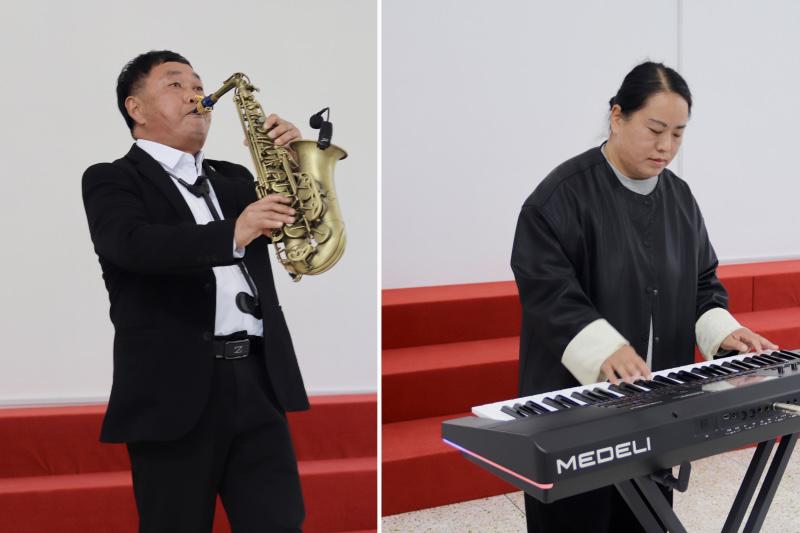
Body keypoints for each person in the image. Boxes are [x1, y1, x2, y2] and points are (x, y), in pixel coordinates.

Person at [510, 61, 777, 533]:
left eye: (678, 134)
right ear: (617, 116)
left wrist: (724, 331)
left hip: (654, 408)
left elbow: (702, 283)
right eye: (655, 130)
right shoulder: (558, 198)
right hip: (576, 415)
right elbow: (548, 292)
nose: (666, 147)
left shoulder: (680, 198)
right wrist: (605, 348)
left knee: (645, 521)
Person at [82, 50, 309, 533]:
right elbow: (132, 245)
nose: (195, 94)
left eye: (197, 84)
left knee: (281, 524)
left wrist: (295, 166)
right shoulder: (110, 179)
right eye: (174, 84)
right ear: (135, 109)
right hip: (172, 393)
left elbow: (303, 230)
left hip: (257, 379)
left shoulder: (235, 179)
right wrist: (233, 231)